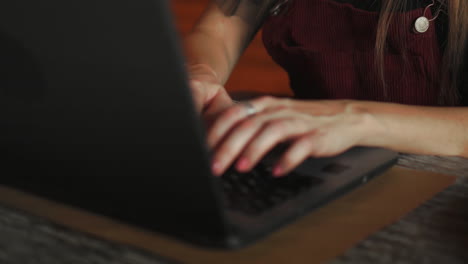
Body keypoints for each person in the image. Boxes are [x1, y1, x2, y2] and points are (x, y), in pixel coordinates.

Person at [184, 0, 468, 177]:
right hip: (314, 169)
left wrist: (356, 119)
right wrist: (202, 74)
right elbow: (220, 28)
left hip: (440, 189)